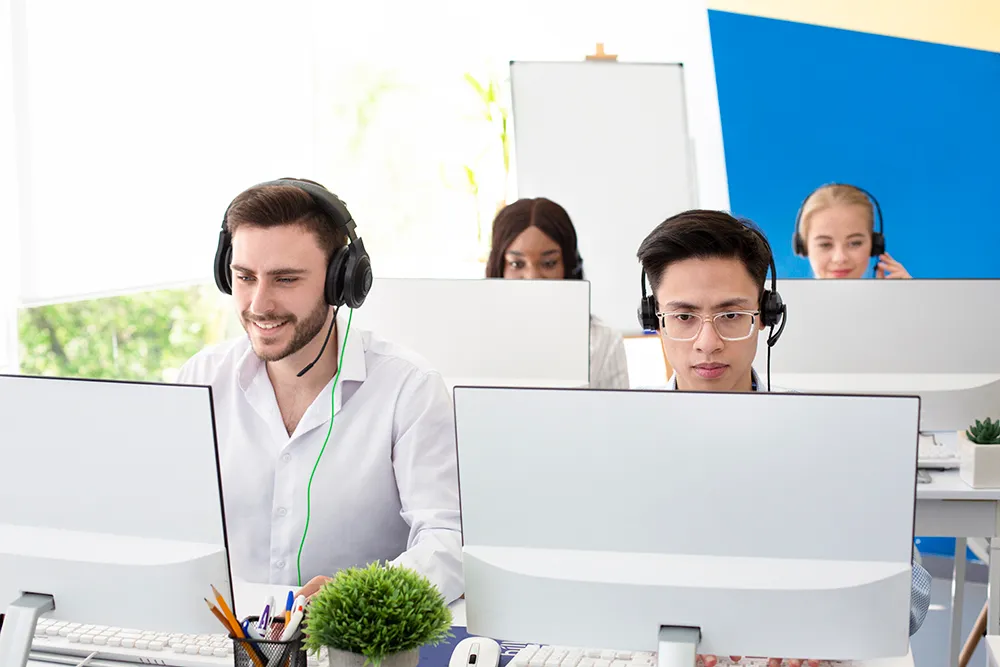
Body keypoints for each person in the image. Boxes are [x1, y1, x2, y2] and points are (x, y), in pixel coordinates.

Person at [636, 209, 931, 666]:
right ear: (654, 318)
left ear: (767, 316)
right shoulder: (620, 440)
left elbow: (910, 597)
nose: (707, 342)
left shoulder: (833, 435)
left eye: (731, 315)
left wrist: (821, 625)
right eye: (684, 316)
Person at [176, 178, 463, 604]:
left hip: (353, 637)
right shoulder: (201, 378)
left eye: (285, 279)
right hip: (222, 632)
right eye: (244, 277)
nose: (259, 304)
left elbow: (448, 542)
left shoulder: (409, 389)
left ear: (341, 282)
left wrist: (361, 597)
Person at [486, 197, 629, 389]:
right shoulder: (475, 338)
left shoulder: (603, 341)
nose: (532, 277)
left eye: (549, 263)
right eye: (517, 264)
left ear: (568, 266)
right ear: (499, 267)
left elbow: (616, 408)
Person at [792, 183, 911, 280]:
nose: (840, 258)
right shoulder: (784, 301)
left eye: (855, 243)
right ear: (803, 246)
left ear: (874, 245)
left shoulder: (896, 299)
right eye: (825, 244)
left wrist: (909, 297)